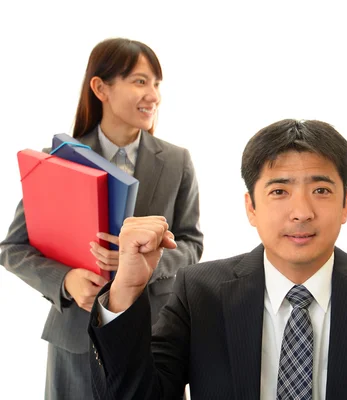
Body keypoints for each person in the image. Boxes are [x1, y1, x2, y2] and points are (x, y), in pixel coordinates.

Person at [88, 119, 347, 399]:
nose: (301, 211)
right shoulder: (200, 293)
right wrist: (125, 288)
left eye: (320, 190)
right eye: (279, 192)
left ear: (346, 204)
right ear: (250, 207)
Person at [0, 38, 204, 400]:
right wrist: (67, 281)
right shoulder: (58, 160)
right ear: (101, 88)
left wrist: (143, 265)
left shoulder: (177, 161)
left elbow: (191, 243)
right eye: (141, 81)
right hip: (75, 339)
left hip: (153, 331)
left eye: (157, 84)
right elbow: (13, 248)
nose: (153, 95)